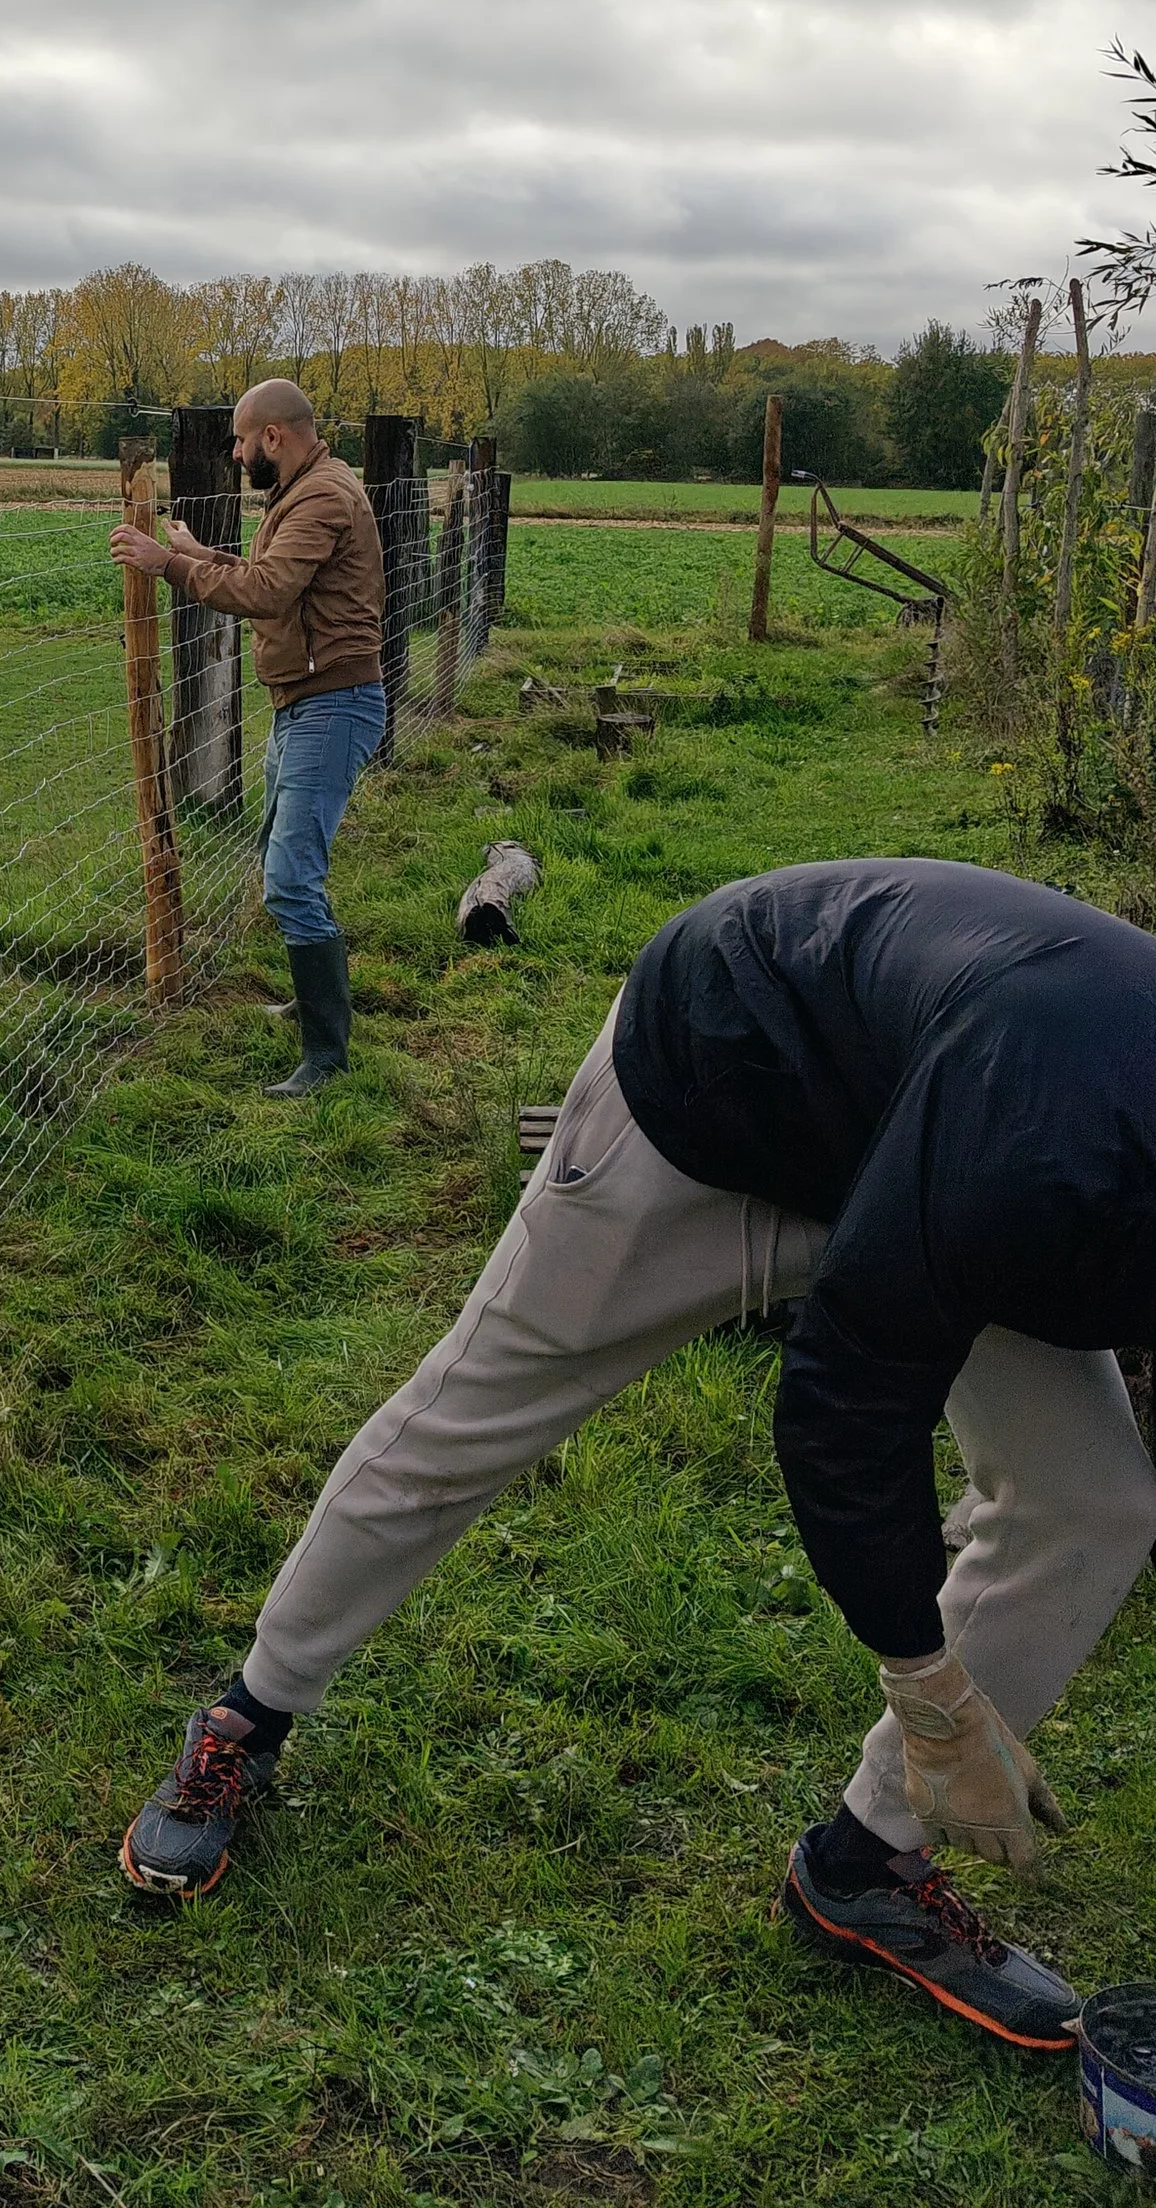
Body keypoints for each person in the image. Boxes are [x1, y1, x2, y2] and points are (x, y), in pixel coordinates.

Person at [118, 857, 1156, 2051]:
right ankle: (248, 1718)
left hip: (916, 1120)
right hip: (717, 1077)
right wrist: (931, 1694)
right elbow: (839, 1410)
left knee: (1093, 1502)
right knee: (481, 1404)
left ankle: (863, 1865)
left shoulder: (1063, 1172)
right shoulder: (1048, 1149)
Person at [109, 380, 384, 1093]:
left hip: (333, 704)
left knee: (291, 876)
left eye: (239, 439)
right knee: (284, 861)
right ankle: (314, 1001)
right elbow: (271, 578)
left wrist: (168, 564)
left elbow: (265, 594)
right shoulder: (302, 490)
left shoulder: (321, 497)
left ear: (274, 437)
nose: (233, 453)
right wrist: (204, 553)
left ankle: (327, 1056)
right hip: (306, 702)